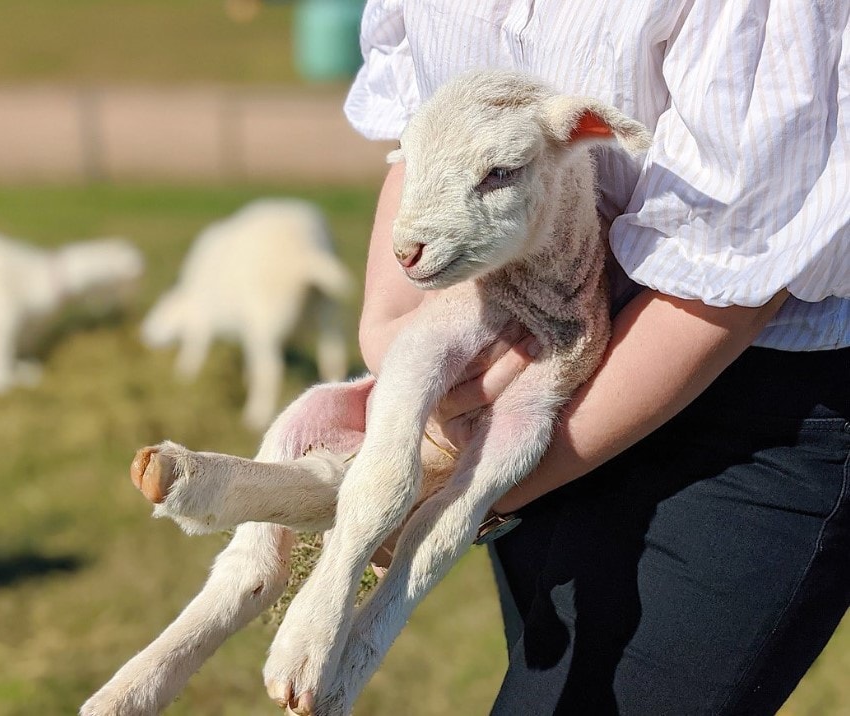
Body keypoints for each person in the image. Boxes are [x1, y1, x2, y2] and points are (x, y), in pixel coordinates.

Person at [343, 2, 850, 715]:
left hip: (751, 407)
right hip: (535, 354)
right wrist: (397, 346)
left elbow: (744, 249)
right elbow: (424, 132)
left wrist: (471, 490)